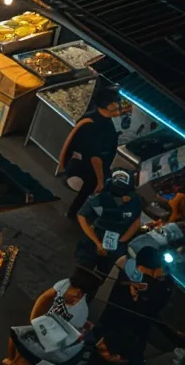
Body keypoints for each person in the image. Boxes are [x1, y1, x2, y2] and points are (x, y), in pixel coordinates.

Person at [57, 89, 126, 222]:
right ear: (104, 106)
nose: (117, 111)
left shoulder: (91, 117)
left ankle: (76, 213)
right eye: (114, 108)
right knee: (87, 192)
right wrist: (100, 180)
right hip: (89, 168)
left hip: (81, 162)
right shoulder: (97, 126)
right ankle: (76, 215)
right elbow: (96, 157)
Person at [3, 271, 93, 365]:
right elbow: (44, 298)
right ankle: (10, 360)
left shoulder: (81, 312)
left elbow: (68, 340)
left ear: (79, 294)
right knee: (15, 335)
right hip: (45, 326)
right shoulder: (65, 284)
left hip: (55, 341)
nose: (67, 290)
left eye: (71, 289)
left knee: (25, 356)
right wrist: (34, 319)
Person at [75, 170, 143, 289]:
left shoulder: (135, 201)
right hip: (93, 241)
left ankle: (89, 295)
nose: (126, 197)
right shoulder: (99, 198)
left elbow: (136, 222)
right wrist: (97, 242)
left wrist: (120, 241)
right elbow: (81, 216)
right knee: (80, 275)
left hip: (115, 245)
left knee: (100, 278)